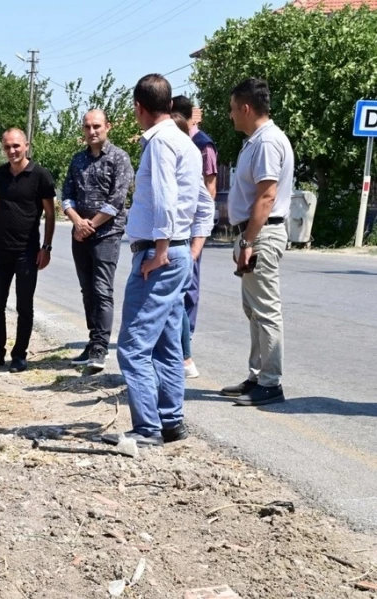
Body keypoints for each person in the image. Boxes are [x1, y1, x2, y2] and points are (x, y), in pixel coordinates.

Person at [103, 74, 202, 447]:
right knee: (165, 343)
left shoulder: (160, 143)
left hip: (159, 252)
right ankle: (171, 420)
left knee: (133, 344)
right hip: (176, 250)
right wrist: (187, 249)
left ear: (139, 108)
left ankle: (147, 428)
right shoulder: (186, 142)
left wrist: (160, 252)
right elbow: (201, 204)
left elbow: (163, 199)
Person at [220, 78, 293, 406]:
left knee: (265, 310)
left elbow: (266, 195)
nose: (231, 115)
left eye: (234, 109)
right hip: (253, 234)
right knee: (253, 310)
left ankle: (271, 382)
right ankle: (257, 376)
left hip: (261, 233)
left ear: (246, 108)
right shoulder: (256, 140)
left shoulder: (266, 142)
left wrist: (249, 240)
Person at [0, 128, 56, 373]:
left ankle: (19, 356)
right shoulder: (0, 174)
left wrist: (46, 247)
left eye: (16, 146)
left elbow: (50, 214)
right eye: (8, 146)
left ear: (26, 146)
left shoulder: (40, 175)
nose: (12, 151)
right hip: (0, 250)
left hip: (27, 252)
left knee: (24, 307)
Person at [60, 109, 134, 373]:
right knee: (87, 291)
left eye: (97, 126)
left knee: (102, 290)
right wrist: (77, 221)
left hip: (107, 234)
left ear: (108, 127)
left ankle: (101, 349)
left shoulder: (119, 158)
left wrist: (90, 224)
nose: (92, 131)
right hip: (80, 234)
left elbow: (117, 200)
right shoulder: (77, 160)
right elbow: (66, 195)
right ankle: (92, 343)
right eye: (87, 127)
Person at [171, 95, 220, 379]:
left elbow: (209, 190)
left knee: (188, 286)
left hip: (191, 227)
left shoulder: (202, 145)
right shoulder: (176, 141)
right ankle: (178, 342)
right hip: (177, 227)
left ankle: (185, 341)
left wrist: (196, 230)